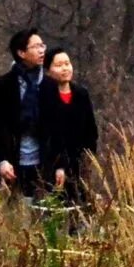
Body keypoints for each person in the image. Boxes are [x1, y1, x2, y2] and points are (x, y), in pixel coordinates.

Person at [0, 27, 51, 196]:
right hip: (13, 164)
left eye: (43, 45)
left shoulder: (50, 85)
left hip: (44, 165)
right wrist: (1, 160)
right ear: (21, 53)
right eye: (36, 46)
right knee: (12, 214)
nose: (42, 50)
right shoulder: (2, 86)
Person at [36, 46, 101, 207]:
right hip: (51, 167)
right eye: (58, 65)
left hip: (79, 165)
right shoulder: (43, 95)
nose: (65, 68)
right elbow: (46, 134)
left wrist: (87, 159)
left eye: (67, 63)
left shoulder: (81, 94)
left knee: (79, 208)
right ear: (48, 70)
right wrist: (58, 165)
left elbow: (90, 131)